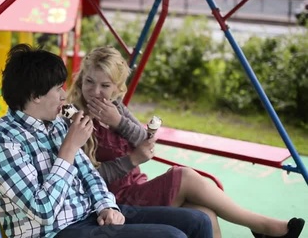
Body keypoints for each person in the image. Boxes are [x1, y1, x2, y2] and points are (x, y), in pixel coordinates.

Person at [66, 45, 306, 238]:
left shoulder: (115, 108)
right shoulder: (76, 119)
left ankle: (263, 229)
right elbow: (89, 177)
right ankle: (262, 226)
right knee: (186, 176)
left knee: (206, 214)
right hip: (114, 201)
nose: (95, 91)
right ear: (80, 80)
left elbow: (144, 142)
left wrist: (118, 121)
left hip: (138, 186)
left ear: (117, 88)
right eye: (89, 82)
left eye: (104, 85)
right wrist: (132, 160)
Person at [0, 43, 214, 238]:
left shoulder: (56, 123)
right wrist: (69, 148)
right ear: (35, 96)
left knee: (198, 221)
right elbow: (42, 211)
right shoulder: (2, 138)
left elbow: (90, 175)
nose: (64, 95)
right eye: (57, 89)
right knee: (172, 237)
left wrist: (107, 206)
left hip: (90, 216)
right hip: (54, 232)